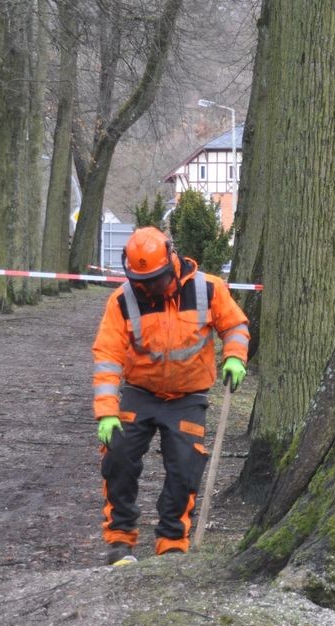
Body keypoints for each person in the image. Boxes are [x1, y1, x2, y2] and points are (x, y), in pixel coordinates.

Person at [91, 227, 250, 566]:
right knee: (118, 456)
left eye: (155, 280)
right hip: (140, 393)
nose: (148, 288)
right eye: (140, 281)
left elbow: (235, 325)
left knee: (183, 467)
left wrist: (235, 355)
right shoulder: (123, 300)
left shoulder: (208, 288)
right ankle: (120, 542)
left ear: (171, 263)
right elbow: (107, 354)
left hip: (188, 397)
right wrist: (106, 412)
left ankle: (172, 544)